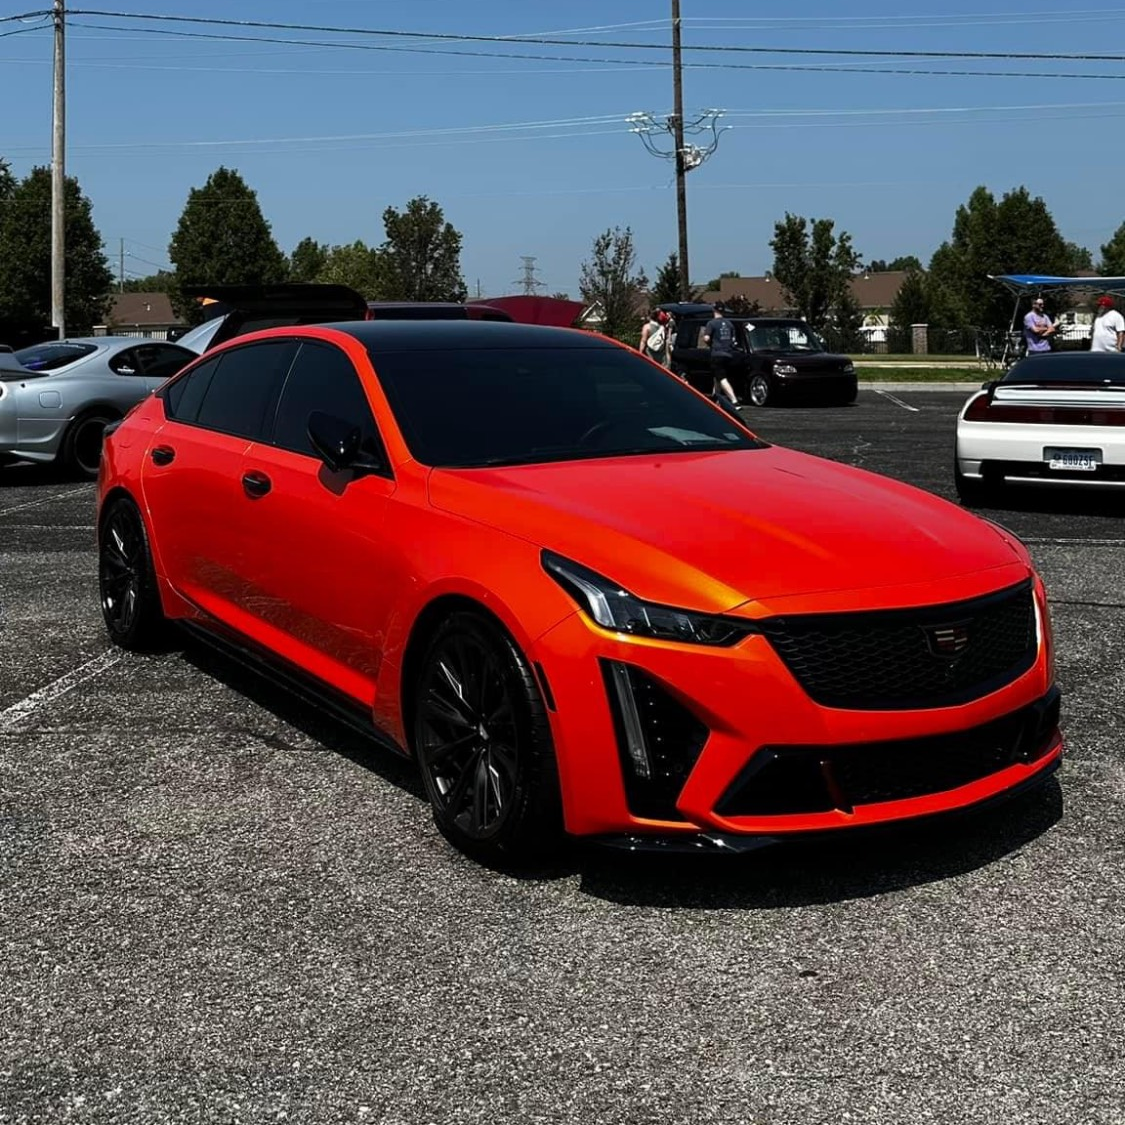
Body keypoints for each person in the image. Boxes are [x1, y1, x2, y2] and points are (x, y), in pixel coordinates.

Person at [701, 301, 740, 405]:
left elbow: (706, 338)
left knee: (721, 378)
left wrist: (709, 342)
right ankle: (716, 399)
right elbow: (733, 340)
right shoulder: (730, 324)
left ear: (713, 310)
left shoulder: (711, 323)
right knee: (717, 377)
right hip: (728, 354)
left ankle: (734, 401)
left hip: (717, 354)